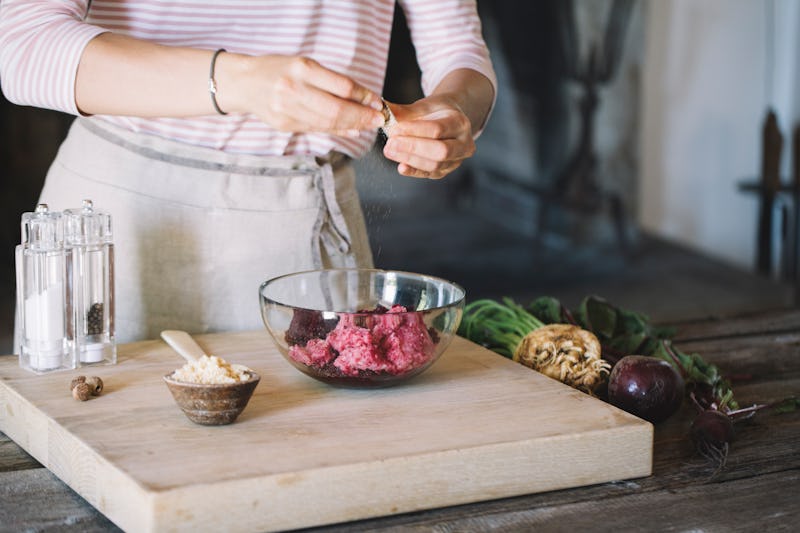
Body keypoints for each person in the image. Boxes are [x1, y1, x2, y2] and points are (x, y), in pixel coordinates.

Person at [0, 0, 496, 343]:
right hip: (113, 219)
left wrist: (454, 111)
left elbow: (458, 50)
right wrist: (236, 81)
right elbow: (22, 48)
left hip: (305, 219)